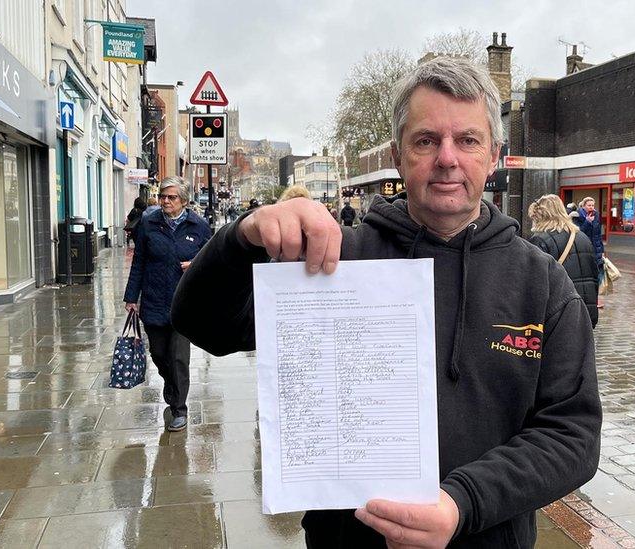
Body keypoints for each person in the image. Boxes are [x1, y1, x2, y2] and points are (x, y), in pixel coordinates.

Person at [172, 56, 600, 548]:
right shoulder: (332, 262)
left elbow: (572, 434)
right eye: (426, 140)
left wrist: (463, 502)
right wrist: (241, 240)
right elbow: (201, 324)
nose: (447, 157)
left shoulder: (542, 283)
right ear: (398, 156)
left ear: (494, 154)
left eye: (467, 139)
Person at [124, 176, 211, 432]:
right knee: (159, 355)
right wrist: (131, 297)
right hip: (153, 300)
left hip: (184, 305)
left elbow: (212, 261)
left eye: (171, 197)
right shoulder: (149, 224)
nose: (165, 201)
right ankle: (171, 387)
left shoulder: (199, 226)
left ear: (183, 200)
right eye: (163, 196)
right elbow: (139, 261)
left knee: (178, 358)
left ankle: (179, 408)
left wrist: (196, 264)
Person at [528, 194, 600, 327]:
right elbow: (594, 275)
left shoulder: (540, 240)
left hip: (558, 312)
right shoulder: (582, 237)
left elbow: (535, 283)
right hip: (585, 310)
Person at [572, 197, 605, 286]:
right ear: (584, 206)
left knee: (598, 270)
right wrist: (587, 222)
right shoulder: (577, 215)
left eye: (593, 205)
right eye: (589, 205)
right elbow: (579, 232)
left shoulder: (596, 215)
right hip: (584, 247)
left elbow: (598, 234)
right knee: (586, 270)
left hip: (596, 247)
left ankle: (596, 287)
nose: (591, 207)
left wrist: (602, 250)